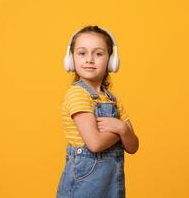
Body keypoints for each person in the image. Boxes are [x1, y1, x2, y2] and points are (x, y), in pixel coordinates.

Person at [56, 25, 139, 198]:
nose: (89, 59)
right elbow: (95, 143)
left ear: (111, 61)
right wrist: (121, 131)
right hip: (83, 187)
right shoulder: (77, 94)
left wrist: (123, 130)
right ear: (71, 59)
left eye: (98, 54)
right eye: (82, 53)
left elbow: (133, 146)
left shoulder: (112, 100)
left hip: (111, 187)